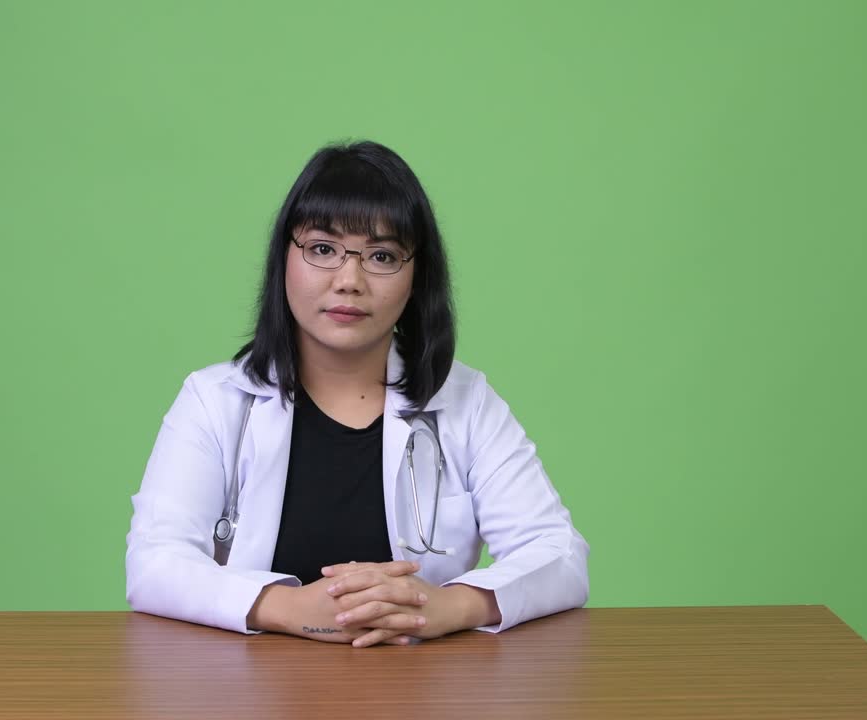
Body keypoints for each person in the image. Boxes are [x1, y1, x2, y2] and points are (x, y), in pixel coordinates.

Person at [125, 140, 589, 648]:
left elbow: (558, 554)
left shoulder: (465, 401)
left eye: (382, 256)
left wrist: (445, 606)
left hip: (422, 683)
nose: (350, 280)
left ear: (417, 277)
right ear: (284, 258)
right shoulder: (216, 401)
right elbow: (154, 563)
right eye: (323, 249)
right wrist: (290, 609)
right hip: (251, 686)